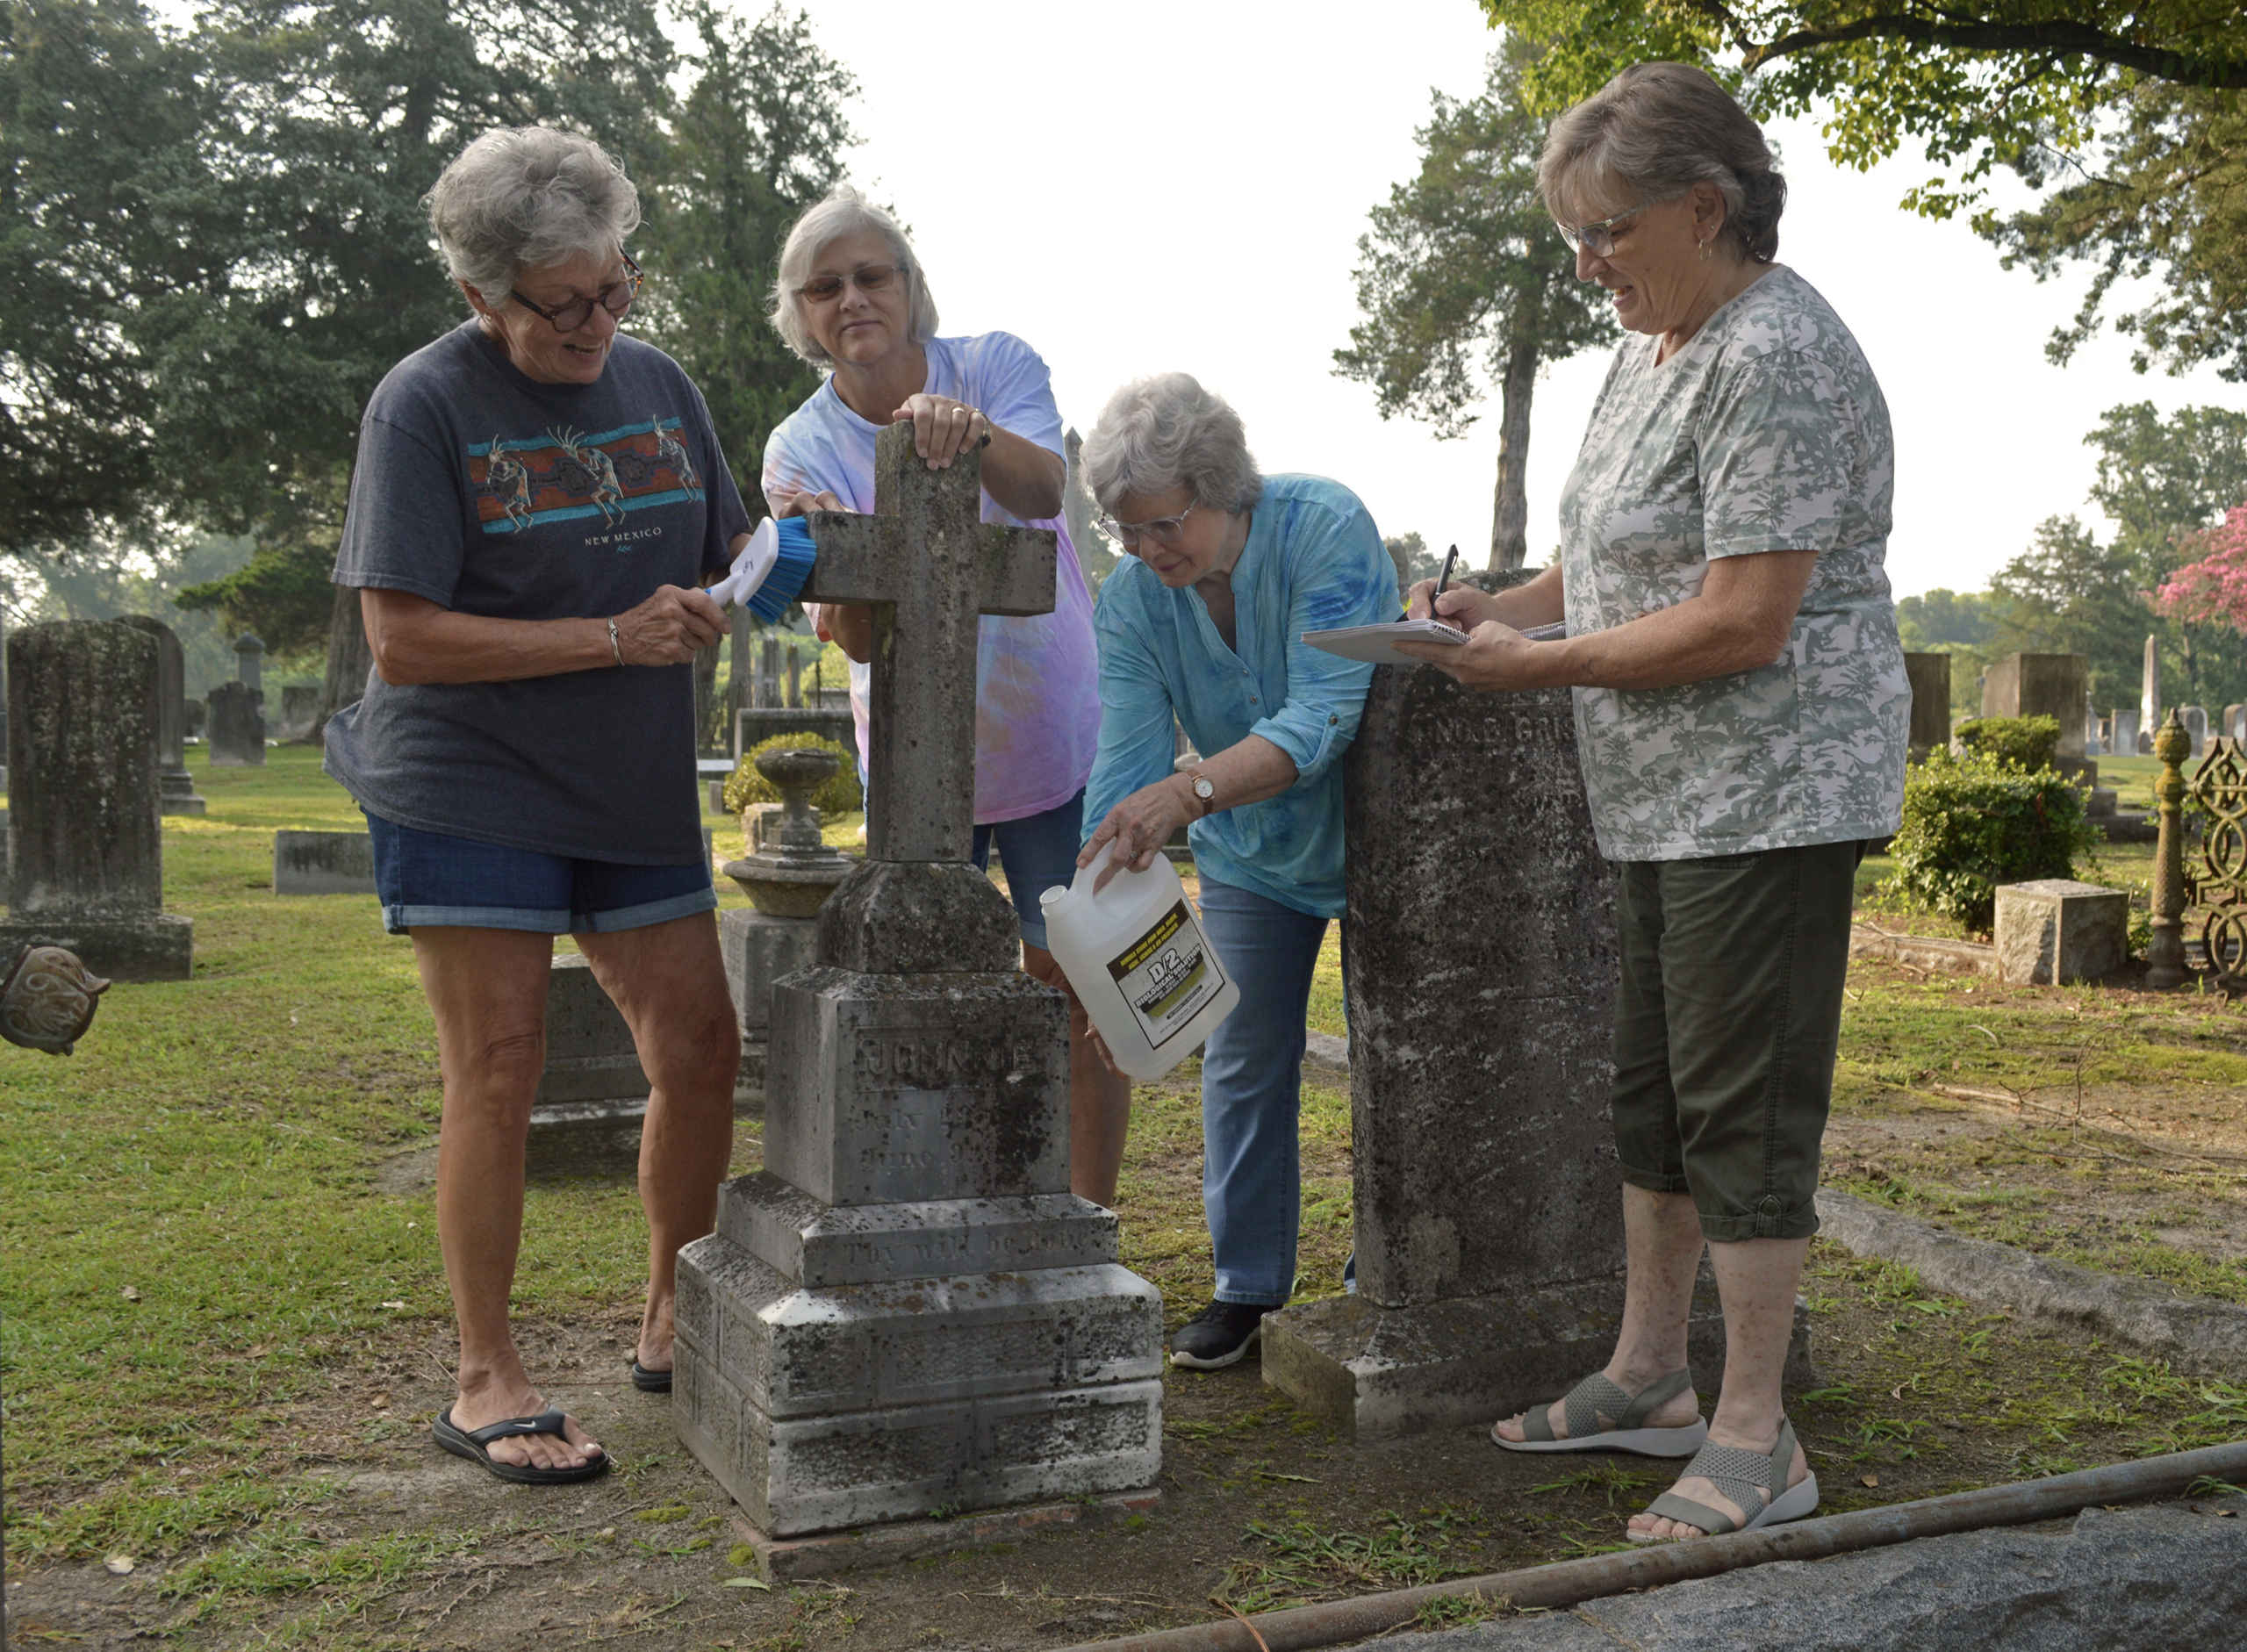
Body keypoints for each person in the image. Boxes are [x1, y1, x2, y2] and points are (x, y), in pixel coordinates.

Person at [1399, 63, 1907, 1540]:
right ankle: (1648, 1374)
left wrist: (1538, 662)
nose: (1587, 266)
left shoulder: (1779, 355)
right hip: (1660, 793)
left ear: (1707, 207)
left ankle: (1758, 1434)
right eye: (1574, 236)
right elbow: (1621, 552)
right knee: (1656, 1093)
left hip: (1766, 791)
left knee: (1741, 1104)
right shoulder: (1654, 351)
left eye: (1608, 231)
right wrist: (1494, 604)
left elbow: (1747, 613)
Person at [324, 126, 752, 1483]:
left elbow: (731, 559)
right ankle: (485, 1371)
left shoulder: (662, 382)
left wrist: (781, 554)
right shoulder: (424, 404)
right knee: (498, 1067)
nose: (595, 323)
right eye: (561, 304)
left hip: (625, 779)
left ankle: (674, 1313)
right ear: (481, 296)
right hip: (469, 778)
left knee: (699, 1045)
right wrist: (611, 636)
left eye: (614, 289)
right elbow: (403, 639)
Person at [758, 186, 1129, 1203]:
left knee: (1081, 986)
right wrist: (839, 585)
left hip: (1052, 741)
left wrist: (962, 433)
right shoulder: (796, 451)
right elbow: (855, 629)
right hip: (920, 768)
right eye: (823, 288)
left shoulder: (996, 365)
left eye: (871, 275)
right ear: (800, 317)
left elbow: (1043, 493)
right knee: (920, 987)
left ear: (912, 290)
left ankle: (1086, 1215)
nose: (851, 299)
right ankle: (942, 1200)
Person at [1077, 373, 1396, 1369]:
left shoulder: (1323, 526)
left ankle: (1382, 1272)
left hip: (1385, 839)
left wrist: (1192, 790)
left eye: (1164, 525)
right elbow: (1123, 773)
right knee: (1244, 1059)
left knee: (1392, 1064)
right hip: (1254, 854)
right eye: (1128, 533)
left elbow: (1323, 716)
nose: (1147, 550)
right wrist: (1103, 954)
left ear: (1224, 488)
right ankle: (1248, 1289)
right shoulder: (1134, 600)